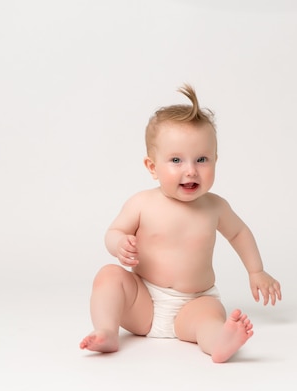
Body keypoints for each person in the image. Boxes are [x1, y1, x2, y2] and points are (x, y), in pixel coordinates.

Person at [79, 84, 282, 363]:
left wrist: (256, 270)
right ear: (152, 167)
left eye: (202, 159)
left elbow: (238, 233)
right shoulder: (142, 203)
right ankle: (106, 330)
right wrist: (119, 244)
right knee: (108, 276)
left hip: (195, 301)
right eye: (176, 160)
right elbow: (113, 232)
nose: (191, 170)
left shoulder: (215, 207)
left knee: (209, 318)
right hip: (144, 300)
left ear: (215, 161)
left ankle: (220, 342)